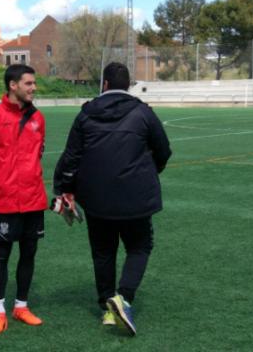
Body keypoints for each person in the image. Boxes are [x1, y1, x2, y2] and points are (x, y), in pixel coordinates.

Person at [53, 62, 172, 336]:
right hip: (136, 196)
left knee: (103, 251)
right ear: (128, 85)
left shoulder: (86, 114)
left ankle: (108, 304)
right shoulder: (143, 112)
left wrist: (63, 188)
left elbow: (71, 156)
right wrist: (149, 171)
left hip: (96, 198)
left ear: (104, 84)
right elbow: (163, 150)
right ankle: (123, 298)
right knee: (140, 247)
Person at [0, 64, 48, 335]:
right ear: (13, 85)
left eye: (34, 83)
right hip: (5, 200)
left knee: (29, 254)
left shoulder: (38, 117)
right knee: (1, 255)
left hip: (34, 200)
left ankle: (21, 306)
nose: (33, 88)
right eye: (29, 83)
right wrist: (0, 181)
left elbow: (40, 152)